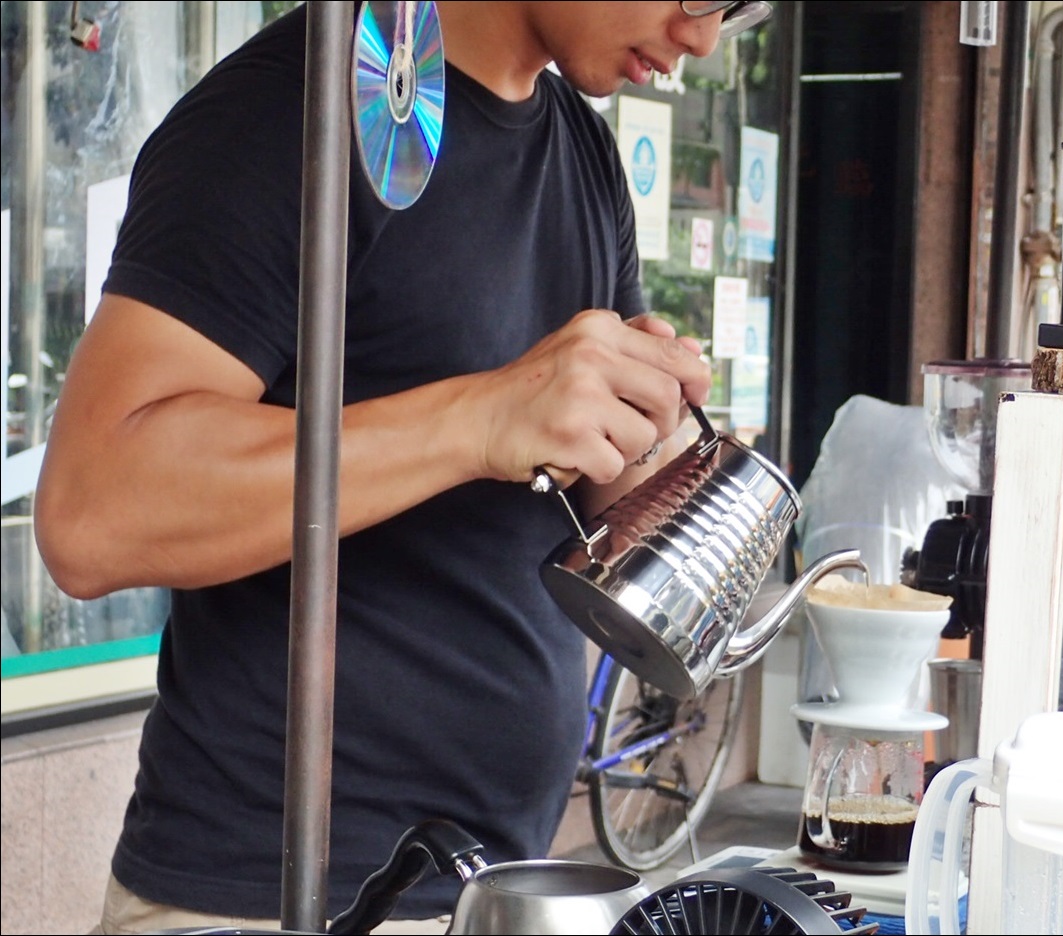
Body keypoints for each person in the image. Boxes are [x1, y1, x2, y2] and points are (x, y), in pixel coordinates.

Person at [33, 2, 772, 932]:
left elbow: (590, 487)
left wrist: (654, 423)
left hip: (503, 883)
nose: (704, 38)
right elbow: (94, 512)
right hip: (276, 897)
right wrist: (480, 416)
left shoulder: (580, 150)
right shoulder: (288, 113)